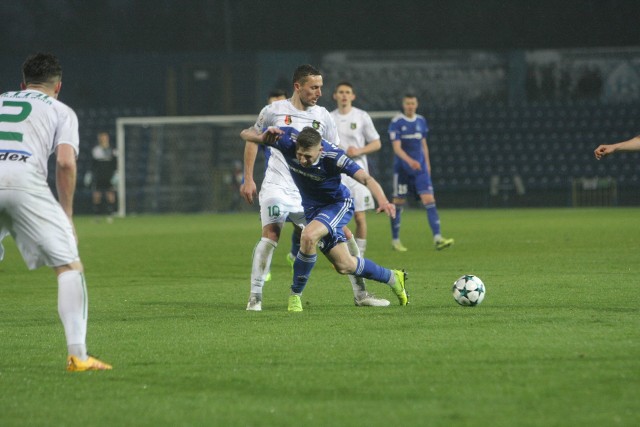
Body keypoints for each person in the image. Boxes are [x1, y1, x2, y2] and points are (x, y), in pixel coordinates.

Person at [240, 65, 390, 311]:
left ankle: (361, 293)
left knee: (345, 235)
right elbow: (250, 136)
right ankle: (255, 297)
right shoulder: (273, 110)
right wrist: (248, 178)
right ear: (298, 87)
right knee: (271, 234)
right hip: (277, 185)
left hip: (308, 193)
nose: (319, 92)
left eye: (320, 87)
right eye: (314, 87)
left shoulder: (323, 116)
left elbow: (333, 154)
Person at [0, 53, 111, 371]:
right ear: (58, 86)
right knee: (68, 266)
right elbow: (65, 162)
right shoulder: (61, 110)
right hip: (24, 181)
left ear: (21, 84)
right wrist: (67, 215)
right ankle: (78, 355)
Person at [241, 126, 408, 312]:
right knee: (345, 265)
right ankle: (393, 277)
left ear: (320, 151)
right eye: (300, 155)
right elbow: (246, 135)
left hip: (337, 204)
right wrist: (263, 137)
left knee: (308, 236)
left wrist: (384, 201)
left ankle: (295, 296)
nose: (302, 160)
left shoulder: (334, 157)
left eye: (308, 157)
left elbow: (366, 179)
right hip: (312, 209)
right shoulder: (287, 142)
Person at [388, 94, 454, 252]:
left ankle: (438, 238)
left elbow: (424, 145)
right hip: (402, 170)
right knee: (398, 203)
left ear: (416, 104)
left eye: (413, 103)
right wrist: (410, 161)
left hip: (420, 170)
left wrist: (428, 166)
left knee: (429, 199)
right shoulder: (397, 122)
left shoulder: (421, 121)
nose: (410, 106)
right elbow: (396, 148)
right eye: (407, 103)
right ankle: (395, 240)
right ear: (404, 105)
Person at [331, 82, 381, 257]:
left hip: (358, 172)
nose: (344, 95)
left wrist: (359, 150)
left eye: (347, 92)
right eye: (341, 92)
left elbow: (376, 143)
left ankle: (360, 256)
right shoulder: (329, 118)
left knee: (360, 217)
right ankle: (343, 254)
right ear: (335, 96)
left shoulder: (361, 116)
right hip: (337, 174)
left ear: (353, 96)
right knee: (337, 218)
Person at [90, 131, 117, 220]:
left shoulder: (113, 150)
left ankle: (110, 214)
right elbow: (93, 164)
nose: (103, 139)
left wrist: (116, 173)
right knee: (97, 195)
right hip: (99, 175)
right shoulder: (96, 150)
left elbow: (115, 163)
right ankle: (97, 215)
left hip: (109, 175)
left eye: (105, 137)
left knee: (110, 194)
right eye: (102, 137)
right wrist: (90, 174)